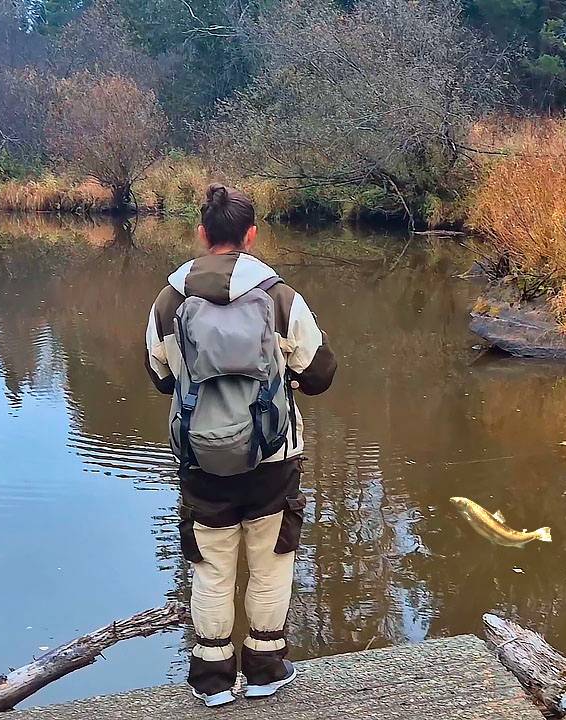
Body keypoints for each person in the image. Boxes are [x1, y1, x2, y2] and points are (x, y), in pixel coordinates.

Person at [145, 184, 337, 707]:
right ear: (251, 236)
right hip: (272, 458)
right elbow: (319, 374)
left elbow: (161, 378)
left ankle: (211, 682)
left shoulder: (169, 301)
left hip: (201, 461)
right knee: (271, 561)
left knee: (210, 567)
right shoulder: (280, 298)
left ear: (202, 234)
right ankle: (266, 671)